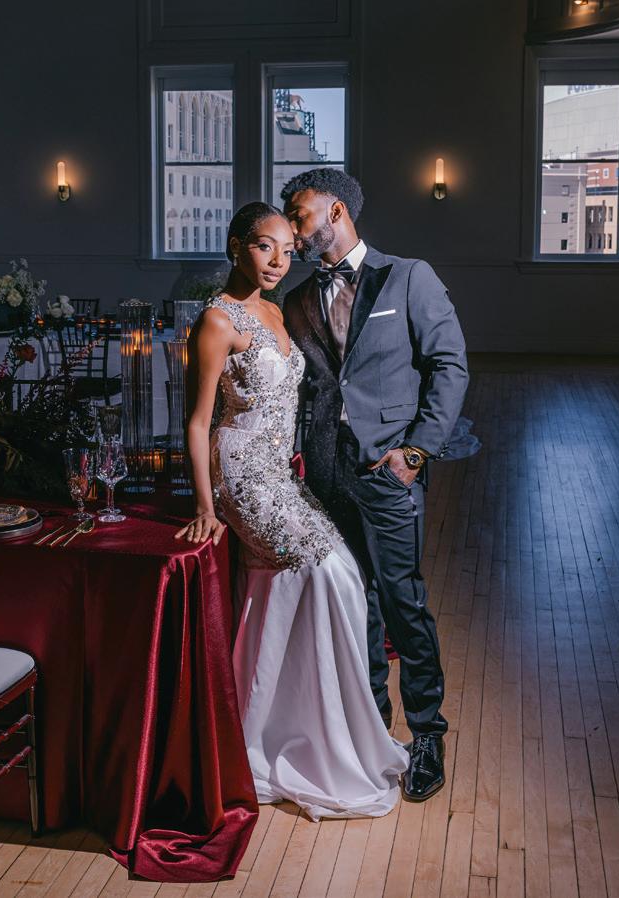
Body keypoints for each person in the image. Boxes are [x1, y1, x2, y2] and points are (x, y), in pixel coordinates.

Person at [176, 201, 409, 821]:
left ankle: (301, 728)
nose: (279, 261)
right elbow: (197, 423)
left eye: (286, 249)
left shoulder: (277, 311)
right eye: (264, 247)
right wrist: (205, 504)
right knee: (328, 573)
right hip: (242, 476)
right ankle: (303, 739)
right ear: (235, 248)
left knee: (343, 576)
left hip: (282, 474)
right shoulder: (216, 320)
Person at [281, 169, 469, 801]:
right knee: (352, 602)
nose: (293, 228)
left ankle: (427, 735)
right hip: (326, 472)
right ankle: (371, 730)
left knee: (401, 602)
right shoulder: (298, 300)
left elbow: (449, 366)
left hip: (388, 472)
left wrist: (414, 453)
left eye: (300, 214)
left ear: (336, 211)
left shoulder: (408, 277)